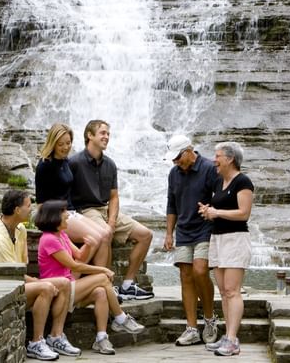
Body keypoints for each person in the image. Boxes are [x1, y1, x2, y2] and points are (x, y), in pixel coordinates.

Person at [35, 200, 146, 355]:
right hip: (59, 291)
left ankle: (101, 338)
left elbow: (79, 256)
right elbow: (75, 266)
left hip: (71, 287)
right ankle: (120, 318)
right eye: (64, 212)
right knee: (102, 278)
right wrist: (102, 269)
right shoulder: (49, 239)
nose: (68, 215)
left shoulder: (62, 235)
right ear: (54, 217)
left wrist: (89, 245)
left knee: (101, 291)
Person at [0, 190, 80, 361]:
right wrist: (36, 282)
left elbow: (22, 267)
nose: (32, 209)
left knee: (64, 282)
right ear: (17, 210)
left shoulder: (20, 229)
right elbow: (11, 275)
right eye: (28, 206)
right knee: (46, 287)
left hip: (18, 283)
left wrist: (34, 281)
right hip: (1, 291)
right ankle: (36, 342)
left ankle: (56, 337)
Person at [68, 119, 154, 300]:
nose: (106, 137)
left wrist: (112, 221)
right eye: (102, 133)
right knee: (104, 234)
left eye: (108, 134)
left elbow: (114, 197)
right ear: (89, 135)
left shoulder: (110, 164)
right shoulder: (74, 162)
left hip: (105, 209)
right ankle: (108, 284)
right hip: (86, 210)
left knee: (145, 235)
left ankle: (128, 285)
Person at [163, 134, 220, 346]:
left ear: (189, 151)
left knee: (199, 271)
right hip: (184, 230)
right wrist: (169, 233)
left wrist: (214, 212)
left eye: (178, 158)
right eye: (173, 159)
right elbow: (172, 204)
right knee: (185, 275)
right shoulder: (173, 173)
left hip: (206, 229)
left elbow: (221, 196)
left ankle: (210, 319)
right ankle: (191, 328)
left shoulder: (208, 168)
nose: (175, 162)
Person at [198, 142, 254, 356]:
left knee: (232, 291)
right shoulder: (221, 182)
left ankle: (232, 339)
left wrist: (217, 212)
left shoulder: (243, 181)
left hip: (235, 240)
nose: (215, 160)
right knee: (223, 292)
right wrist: (209, 211)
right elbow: (220, 210)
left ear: (230, 159)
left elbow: (244, 213)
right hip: (218, 239)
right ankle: (227, 337)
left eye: (218, 156)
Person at [35, 123, 111, 267]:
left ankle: (101, 281)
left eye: (68, 143)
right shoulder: (45, 166)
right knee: (95, 238)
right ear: (53, 143)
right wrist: (54, 225)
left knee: (105, 235)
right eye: (60, 144)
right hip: (56, 216)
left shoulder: (65, 161)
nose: (65, 147)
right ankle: (73, 282)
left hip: (71, 212)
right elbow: (40, 203)